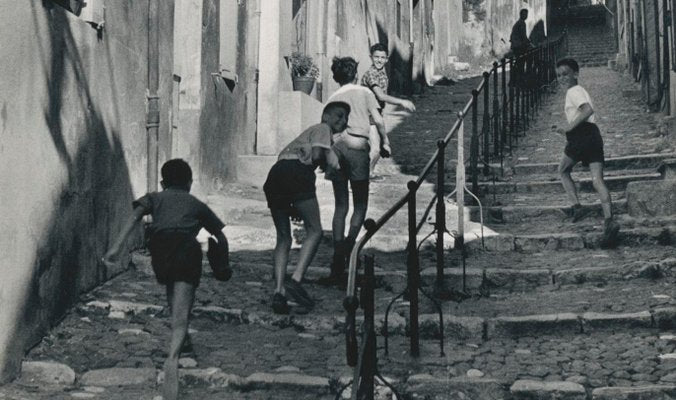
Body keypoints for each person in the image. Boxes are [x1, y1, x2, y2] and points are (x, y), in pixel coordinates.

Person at [102, 159, 229, 400]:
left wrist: (117, 248)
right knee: (182, 312)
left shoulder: (154, 197)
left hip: (160, 251)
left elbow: (134, 217)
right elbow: (220, 236)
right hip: (186, 249)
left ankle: (184, 340)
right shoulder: (196, 204)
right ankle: (173, 358)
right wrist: (223, 266)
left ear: (163, 182)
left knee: (172, 290)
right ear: (190, 183)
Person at [263, 101, 350, 313]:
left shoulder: (303, 136)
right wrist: (327, 164)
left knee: (283, 237)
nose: (343, 121)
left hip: (276, 175)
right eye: (338, 116)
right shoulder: (322, 129)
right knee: (315, 230)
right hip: (296, 173)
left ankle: (279, 292)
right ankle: (297, 278)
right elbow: (319, 155)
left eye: (346, 118)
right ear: (325, 116)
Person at [317, 57, 390, 287]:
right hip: (358, 147)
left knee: (341, 205)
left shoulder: (332, 98)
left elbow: (324, 129)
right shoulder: (365, 92)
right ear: (355, 74)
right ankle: (350, 247)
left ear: (336, 77)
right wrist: (385, 142)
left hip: (337, 148)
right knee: (360, 203)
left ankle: (338, 257)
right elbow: (378, 120)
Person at [553, 58, 620, 248]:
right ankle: (609, 220)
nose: (562, 78)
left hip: (581, 135)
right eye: (559, 75)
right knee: (597, 180)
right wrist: (564, 129)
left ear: (575, 73)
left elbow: (588, 110)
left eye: (565, 74)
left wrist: (568, 129)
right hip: (593, 134)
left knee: (563, 170)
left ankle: (577, 207)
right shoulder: (580, 91)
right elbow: (585, 114)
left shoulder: (573, 92)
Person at [361, 43, 416, 178]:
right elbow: (380, 95)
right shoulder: (371, 74)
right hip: (368, 114)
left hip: (376, 113)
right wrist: (402, 101)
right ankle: (364, 176)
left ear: (387, 59)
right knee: (375, 149)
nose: (379, 60)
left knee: (377, 148)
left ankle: (368, 173)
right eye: (376, 57)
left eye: (382, 57)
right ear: (371, 57)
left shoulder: (381, 73)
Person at [510, 9, 533, 87]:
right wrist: (530, 43)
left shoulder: (519, 23)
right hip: (518, 47)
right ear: (521, 15)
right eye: (524, 14)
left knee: (519, 63)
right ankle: (519, 82)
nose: (526, 16)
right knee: (521, 63)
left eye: (526, 14)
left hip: (517, 46)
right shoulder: (521, 23)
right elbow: (523, 37)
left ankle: (516, 81)